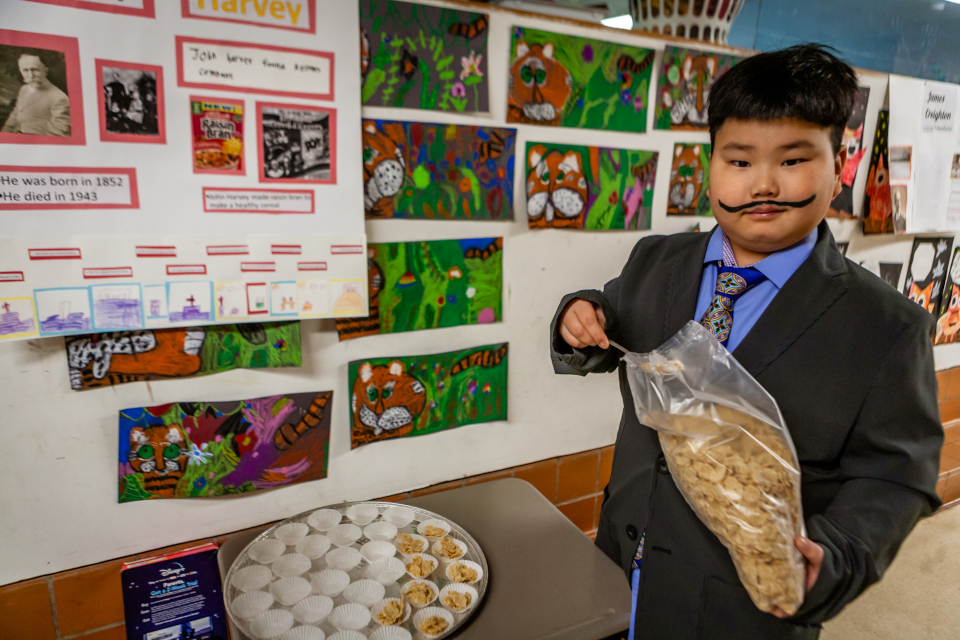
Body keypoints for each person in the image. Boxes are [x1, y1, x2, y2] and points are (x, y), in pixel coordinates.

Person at [550, 44, 941, 639]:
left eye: (792, 161)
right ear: (709, 164)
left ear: (840, 163)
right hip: (618, 559)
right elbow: (610, 328)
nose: (763, 184)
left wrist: (836, 557)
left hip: (742, 605)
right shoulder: (656, 259)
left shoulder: (886, 327)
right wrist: (577, 320)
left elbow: (895, 475)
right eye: (738, 161)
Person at [1, 53, 70, 136]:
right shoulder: (24, 89)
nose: (30, 75)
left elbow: (62, 130)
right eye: (25, 70)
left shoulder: (59, 97)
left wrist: (23, 128)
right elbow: (16, 113)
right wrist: (5, 132)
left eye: (35, 70)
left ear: (46, 71)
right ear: (20, 71)